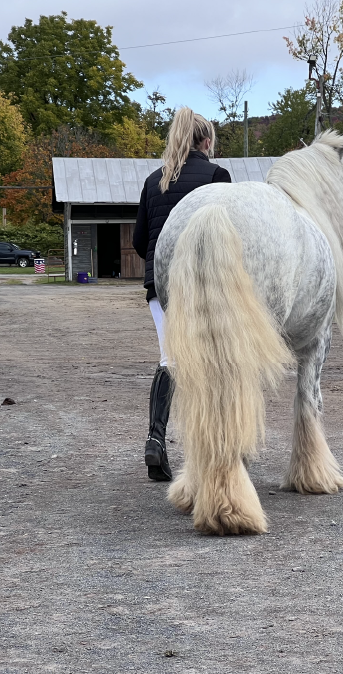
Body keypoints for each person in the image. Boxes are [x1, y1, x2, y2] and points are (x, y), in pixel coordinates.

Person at [133, 107, 232, 482]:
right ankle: (213, 450)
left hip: (160, 287)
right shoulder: (216, 175)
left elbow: (140, 242)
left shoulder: (152, 181)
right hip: (206, 283)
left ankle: (155, 439)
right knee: (213, 362)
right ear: (206, 142)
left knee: (170, 358)